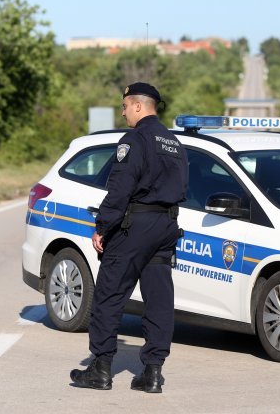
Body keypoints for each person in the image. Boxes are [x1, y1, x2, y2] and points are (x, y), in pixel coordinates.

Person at [70, 82, 188, 393]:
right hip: (166, 225)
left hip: (135, 225)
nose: (123, 113)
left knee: (109, 294)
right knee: (159, 299)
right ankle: (152, 372)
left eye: (124, 107)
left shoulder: (134, 139)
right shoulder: (174, 143)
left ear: (137, 105)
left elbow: (120, 189)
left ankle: (100, 368)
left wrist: (102, 226)